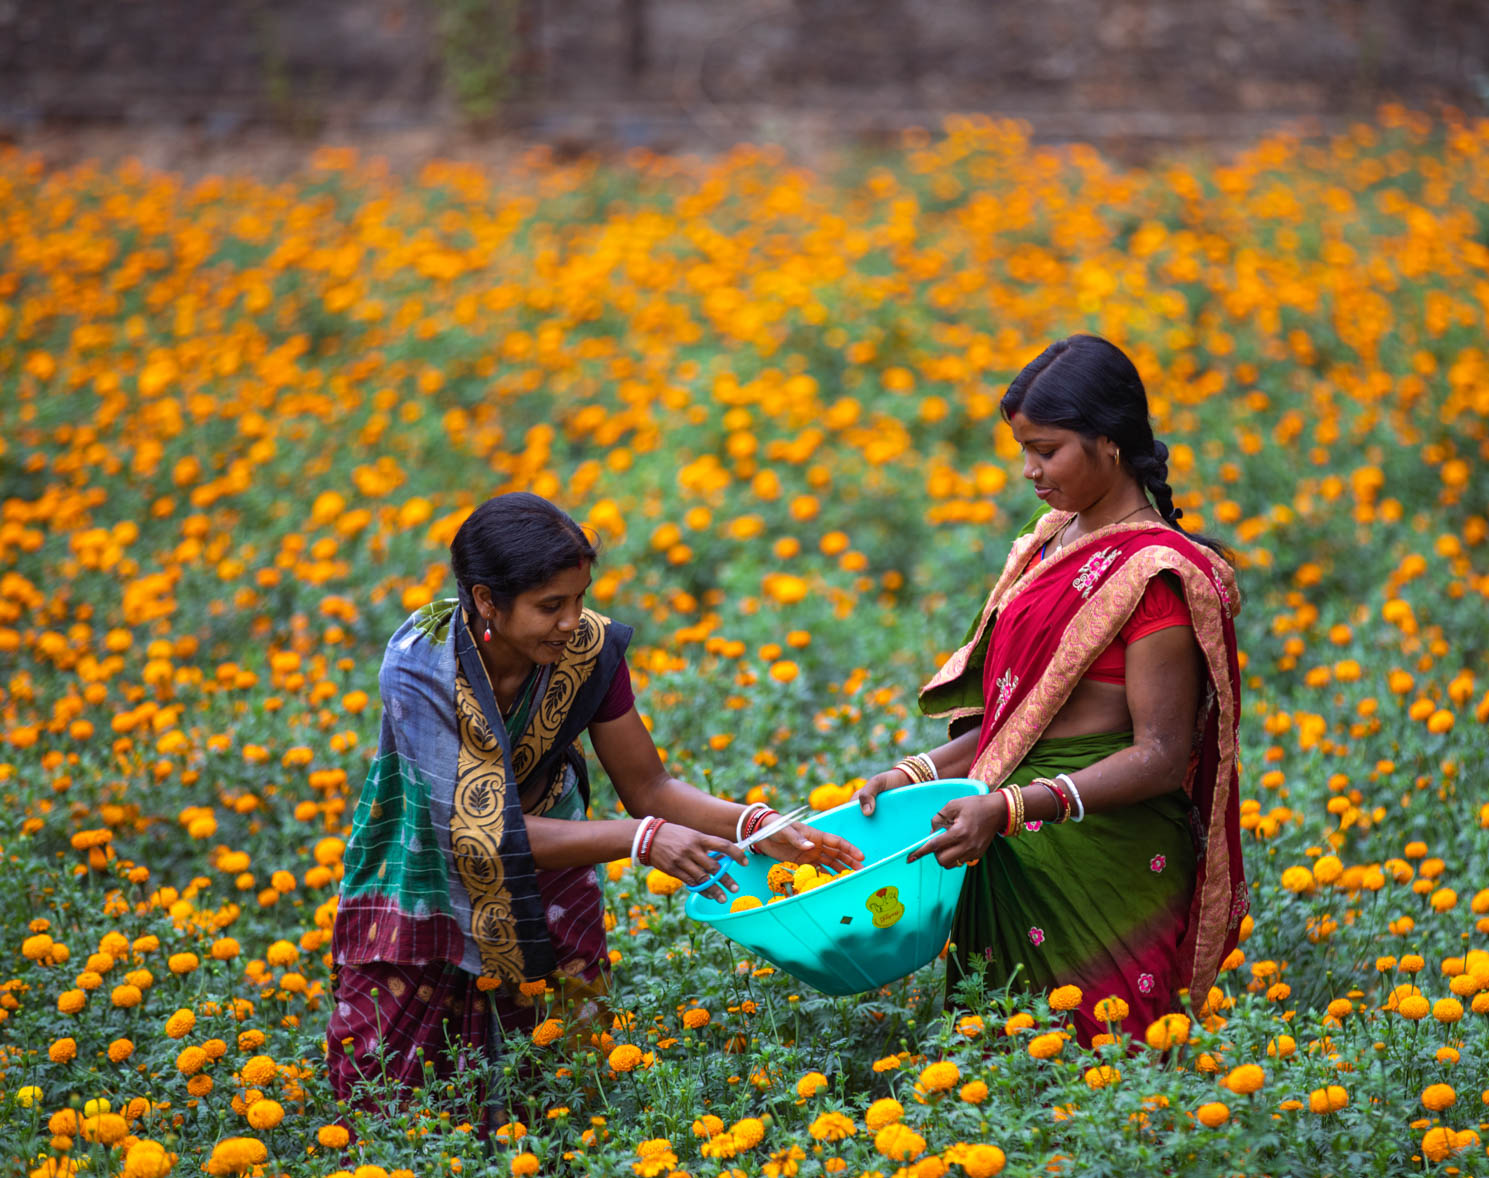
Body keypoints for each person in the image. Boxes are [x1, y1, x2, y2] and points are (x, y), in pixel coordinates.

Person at [326, 492, 859, 1112]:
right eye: (550, 605)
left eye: (579, 598)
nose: (572, 620)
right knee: (392, 1095)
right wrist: (643, 841)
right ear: (485, 601)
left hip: (548, 870)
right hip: (424, 878)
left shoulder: (589, 649)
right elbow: (473, 832)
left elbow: (649, 788)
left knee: (567, 1087)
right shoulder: (421, 662)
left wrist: (757, 824)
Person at [853, 334, 1245, 1045]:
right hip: (1008, 843)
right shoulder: (1047, 544)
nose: (1030, 471)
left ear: (1111, 442)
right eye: (1023, 450)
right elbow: (1018, 723)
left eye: (1048, 449)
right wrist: (913, 775)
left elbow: (1160, 754)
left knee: (1107, 1086)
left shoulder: (1156, 575)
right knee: (997, 1081)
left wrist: (1013, 808)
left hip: (1100, 859)